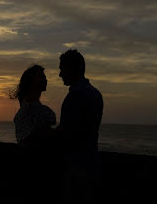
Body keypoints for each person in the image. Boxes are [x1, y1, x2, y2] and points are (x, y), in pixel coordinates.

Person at [55, 49, 104, 203]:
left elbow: (66, 132)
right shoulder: (96, 93)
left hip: (76, 167)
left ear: (75, 68)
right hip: (92, 163)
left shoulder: (75, 95)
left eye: (62, 69)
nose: (60, 74)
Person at [10, 64, 56, 148]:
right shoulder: (28, 109)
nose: (45, 80)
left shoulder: (37, 108)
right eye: (41, 77)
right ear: (31, 81)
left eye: (45, 77)